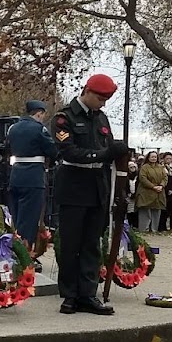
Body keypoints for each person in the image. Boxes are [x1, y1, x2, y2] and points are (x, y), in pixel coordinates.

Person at [50, 74, 129, 315]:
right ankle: (70, 295)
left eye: (106, 99)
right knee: (71, 243)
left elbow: (108, 146)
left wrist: (116, 152)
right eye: (99, 98)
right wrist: (103, 155)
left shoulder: (101, 118)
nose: (102, 103)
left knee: (92, 244)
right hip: (74, 185)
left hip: (97, 187)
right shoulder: (65, 118)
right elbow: (69, 151)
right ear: (87, 91)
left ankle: (88, 293)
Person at [5, 103, 55, 250]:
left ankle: (13, 248)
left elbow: (7, 149)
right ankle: (25, 253)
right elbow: (52, 150)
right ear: (39, 113)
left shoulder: (12, 128)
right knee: (29, 219)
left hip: (16, 175)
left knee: (16, 216)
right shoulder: (39, 129)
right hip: (33, 177)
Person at [136, 151, 166, 234]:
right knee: (145, 211)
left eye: (155, 157)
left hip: (158, 192)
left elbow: (165, 178)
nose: (153, 158)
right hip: (146, 192)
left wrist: (161, 185)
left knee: (156, 211)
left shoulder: (160, 167)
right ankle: (144, 229)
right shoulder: (144, 167)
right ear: (148, 158)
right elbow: (143, 178)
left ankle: (154, 229)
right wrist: (153, 186)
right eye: (152, 157)